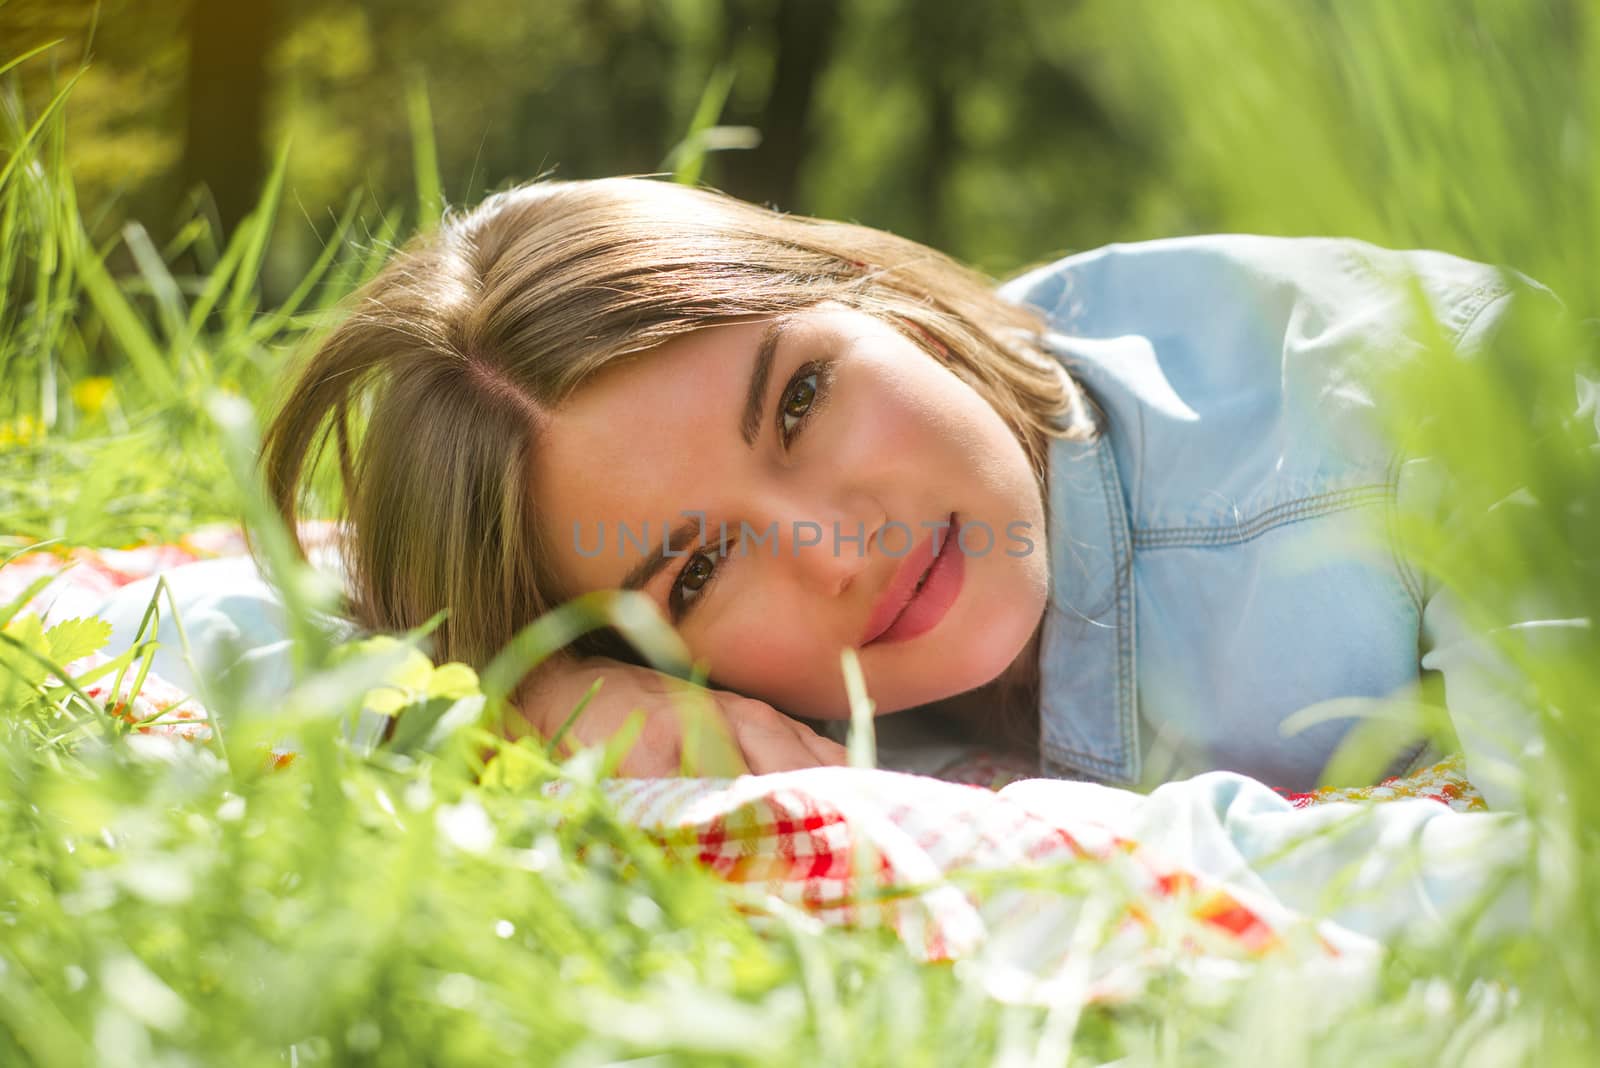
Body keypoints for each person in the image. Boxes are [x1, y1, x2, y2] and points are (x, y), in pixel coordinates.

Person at [258, 175, 1555, 804]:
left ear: (885, 301)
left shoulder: (1423, 411)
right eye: (697, 568)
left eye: (802, 400)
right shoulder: (723, 711)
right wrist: (533, 693)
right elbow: (282, 631)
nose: (837, 549)